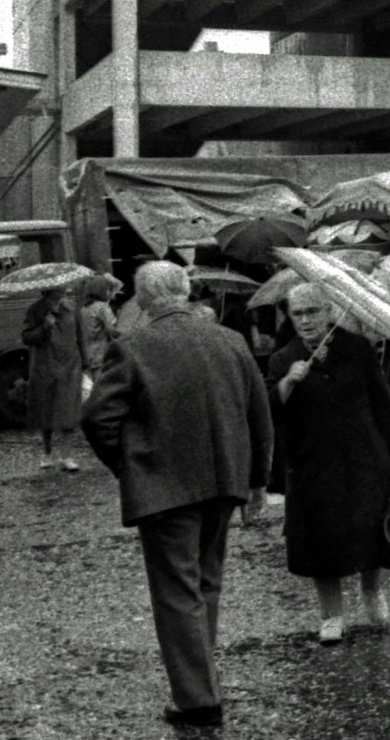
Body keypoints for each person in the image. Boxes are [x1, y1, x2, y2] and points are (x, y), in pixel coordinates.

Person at [81, 260, 272, 730]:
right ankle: (203, 682)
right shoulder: (230, 340)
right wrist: (257, 482)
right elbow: (259, 414)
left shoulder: (133, 346)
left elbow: (96, 417)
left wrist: (130, 464)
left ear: (144, 301)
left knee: (177, 592)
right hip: (224, 481)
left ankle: (198, 698)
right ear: (186, 291)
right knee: (206, 583)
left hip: (165, 488)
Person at [268, 283, 390, 643]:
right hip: (313, 462)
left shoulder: (358, 348)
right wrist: (287, 383)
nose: (305, 320)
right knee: (320, 538)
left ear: (329, 311)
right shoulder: (283, 357)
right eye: (297, 313)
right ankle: (331, 614)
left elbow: (382, 397)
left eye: (312, 311)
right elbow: (268, 410)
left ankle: (372, 591)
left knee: (370, 526)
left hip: (363, 453)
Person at [22, 283, 88, 472]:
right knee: (47, 410)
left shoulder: (72, 308)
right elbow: (26, 337)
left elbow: (81, 336)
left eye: (64, 286)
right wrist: (44, 326)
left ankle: (67, 456)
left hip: (70, 365)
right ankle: (47, 453)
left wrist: (86, 362)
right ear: (49, 289)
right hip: (45, 366)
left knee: (69, 409)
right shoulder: (35, 310)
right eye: (59, 287)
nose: (64, 289)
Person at [79, 274, 123, 375]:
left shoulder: (84, 307)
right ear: (102, 290)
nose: (110, 293)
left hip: (87, 354)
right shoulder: (102, 307)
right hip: (101, 353)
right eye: (109, 289)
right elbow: (112, 331)